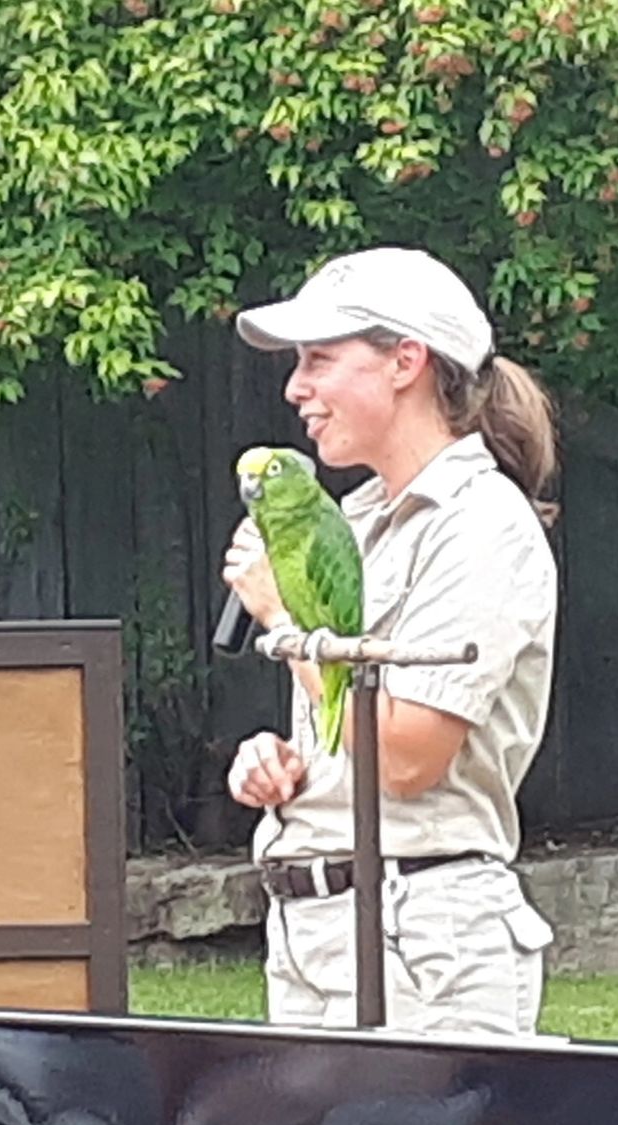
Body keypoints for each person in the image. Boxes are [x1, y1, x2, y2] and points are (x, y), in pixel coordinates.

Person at [222, 245, 558, 1041]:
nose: (295, 388)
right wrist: (281, 766)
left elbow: (407, 759)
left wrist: (281, 621)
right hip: (310, 935)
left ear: (405, 360)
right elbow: (350, 730)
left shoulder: (482, 526)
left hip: (421, 940)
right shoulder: (354, 522)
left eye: (319, 360)